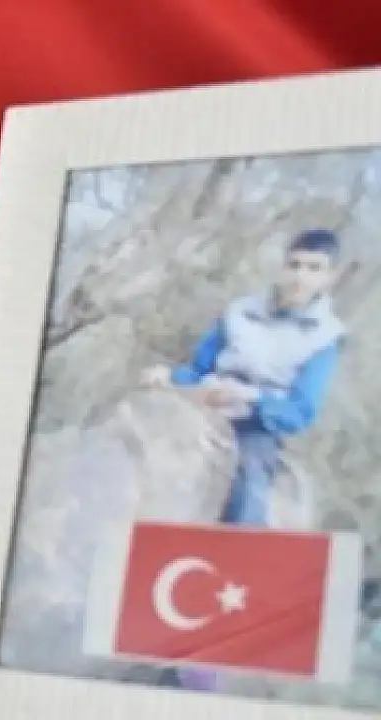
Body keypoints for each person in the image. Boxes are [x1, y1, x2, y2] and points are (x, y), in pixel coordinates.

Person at [140, 228, 345, 691]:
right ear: (282, 265)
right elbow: (199, 367)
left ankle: (213, 645)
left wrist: (248, 399)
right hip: (205, 403)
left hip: (257, 422)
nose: (299, 276)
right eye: (294, 264)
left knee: (248, 491)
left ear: (328, 278)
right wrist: (170, 377)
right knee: (136, 428)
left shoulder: (325, 338)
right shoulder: (239, 312)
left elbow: (300, 409)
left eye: (313, 268)